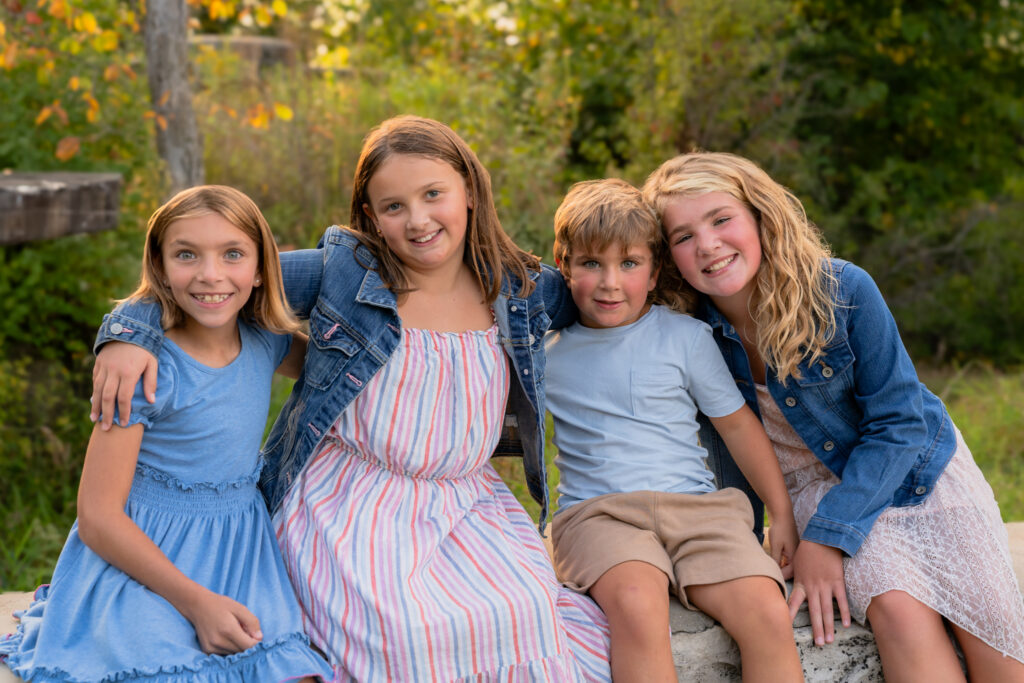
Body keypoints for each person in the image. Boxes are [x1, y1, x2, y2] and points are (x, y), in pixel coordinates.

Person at [87, 116, 612, 681]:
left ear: (470, 189)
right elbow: (222, 276)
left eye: (434, 194)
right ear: (370, 217)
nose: (418, 220)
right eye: (393, 206)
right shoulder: (345, 273)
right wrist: (128, 332)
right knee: (402, 634)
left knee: (522, 615)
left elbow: (612, 290)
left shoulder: (520, 288)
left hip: (466, 504)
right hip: (352, 500)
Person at [642, 151, 1024, 683]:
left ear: (760, 217)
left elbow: (900, 424)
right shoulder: (685, 332)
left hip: (918, 474)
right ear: (667, 256)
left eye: (721, 219)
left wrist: (827, 538)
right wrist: (785, 534)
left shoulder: (841, 291)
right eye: (683, 237)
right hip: (810, 494)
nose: (707, 245)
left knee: (996, 637)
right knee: (896, 610)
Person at [0, 186, 332, 682]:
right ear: (160, 267)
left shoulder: (268, 340)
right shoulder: (143, 372)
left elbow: (341, 376)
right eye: (186, 255)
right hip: (143, 558)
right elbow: (96, 516)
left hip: (239, 550)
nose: (210, 275)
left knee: (289, 671)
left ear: (262, 268)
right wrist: (196, 602)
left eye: (233, 254)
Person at [544, 178, 803, 682]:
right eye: (591, 263)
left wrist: (782, 512)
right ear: (563, 265)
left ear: (655, 268)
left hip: (699, 512)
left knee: (767, 612)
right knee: (639, 608)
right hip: (600, 516)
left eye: (629, 263)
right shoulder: (548, 353)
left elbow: (738, 428)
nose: (610, 283)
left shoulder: (684, 337)